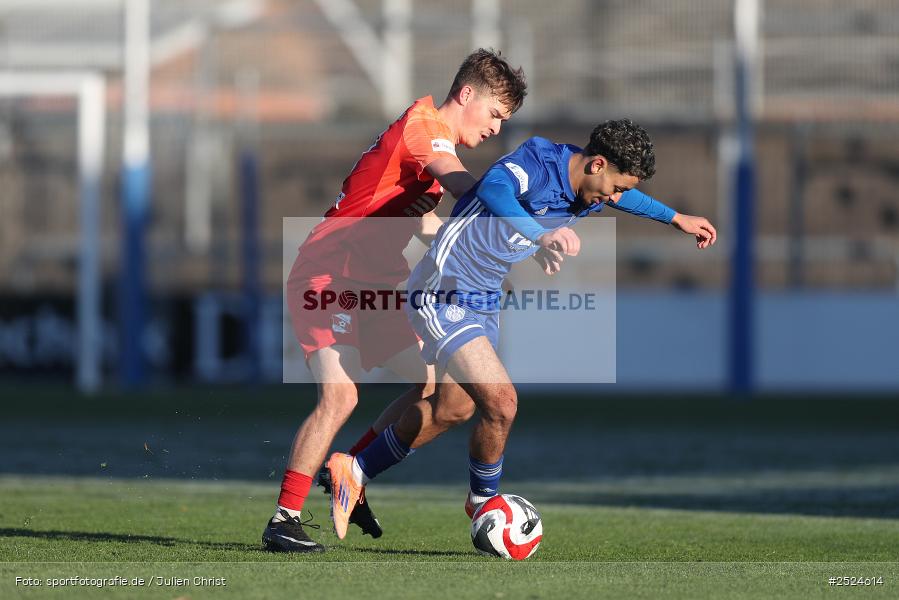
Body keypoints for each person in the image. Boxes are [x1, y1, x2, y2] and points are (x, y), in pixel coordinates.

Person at [326, 119, 717, 527]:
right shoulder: (539, 160)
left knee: (452, 409)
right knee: (503, 403)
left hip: (484, 298)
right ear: (598, 164)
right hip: (446, 286)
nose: (617, 195)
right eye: (617, 185)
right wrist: (540, 236)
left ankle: (355, 469)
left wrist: (676, 219)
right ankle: (478, 502)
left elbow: (626, 199)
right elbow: (494, 189)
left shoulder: (594, 187)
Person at [262, 49, 528, 553]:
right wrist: (518, 221)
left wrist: (481, 265)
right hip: (329, 271)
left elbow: (427, 226)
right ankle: (283, 519)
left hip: (380, 282)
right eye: (495, 114)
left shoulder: (432, 146)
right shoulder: (423, 128)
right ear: (466, 94)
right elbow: (462, 185)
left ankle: (352, 472)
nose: (496, 128)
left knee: (442, 391)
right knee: (341, 396)